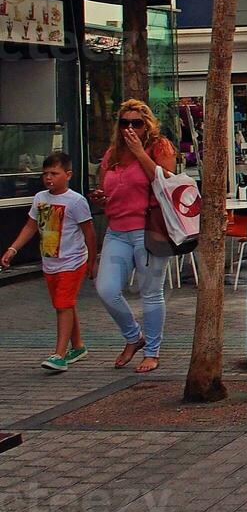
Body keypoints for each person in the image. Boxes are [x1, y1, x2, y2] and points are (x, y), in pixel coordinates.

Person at [92, 99, 177, 373]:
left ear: (147, 125)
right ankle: (133, 336)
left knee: (150, 292)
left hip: (148, 228)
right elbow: (107, 188)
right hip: (116, 229)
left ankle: (152, 351)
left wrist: (140, 152)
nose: (130, 127)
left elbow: (165, 182)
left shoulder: (159, 147)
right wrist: (101, 198)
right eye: (124, 122)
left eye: (136, 123)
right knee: (106, 289)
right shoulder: (112, 153)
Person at [2, 153, 98, 372]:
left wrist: (92, 261)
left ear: (68, 175)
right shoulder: (40, 198)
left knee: (62, 305)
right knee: (64, 303)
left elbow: (89, 233)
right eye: (45, 174)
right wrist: (13, 248)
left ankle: (59, 354)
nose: (48, 178)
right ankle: (78, 346)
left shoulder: (76, 201)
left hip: (72, 262)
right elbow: (30, 226)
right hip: (50, 262)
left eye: (54, 173)